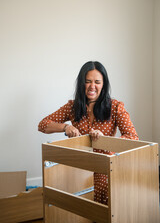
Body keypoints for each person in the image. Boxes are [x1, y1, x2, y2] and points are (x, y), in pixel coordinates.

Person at [38, 61, 139, 205]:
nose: (92, 86)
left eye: (97, 82)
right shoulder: (72, 107)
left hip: (105, 166)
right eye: (88, 81)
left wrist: (105, 140)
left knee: (100, 188)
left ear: (103, 84)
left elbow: (133, 138)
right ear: (81, 83)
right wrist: (65, 128)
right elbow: (43, 125)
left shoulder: (115, 107)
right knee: (57, 188)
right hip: (79, 165)